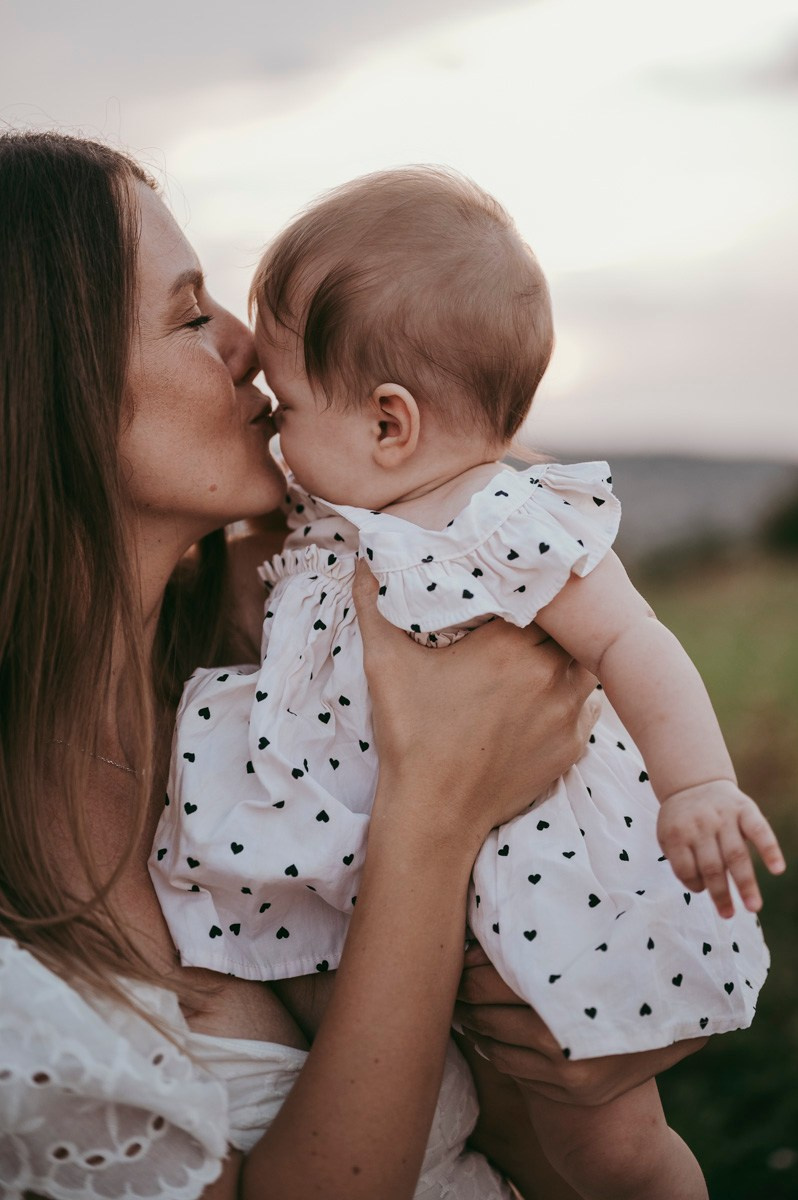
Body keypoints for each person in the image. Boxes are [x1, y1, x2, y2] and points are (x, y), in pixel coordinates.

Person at [0, 132, 708, 1200]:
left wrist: (585, 1032)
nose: (245, 346)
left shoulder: (268, 661)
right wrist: (435, 813)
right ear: (47, 389)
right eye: (191, 315)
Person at [152, 167, 785, 1200]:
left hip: (544, 883)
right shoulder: (325, 534)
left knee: (608, 1144)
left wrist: (700, 785)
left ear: (388, 424)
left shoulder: (503, 518)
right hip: (406, 892)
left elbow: (632, 639)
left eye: (291, 400)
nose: (267, 413)